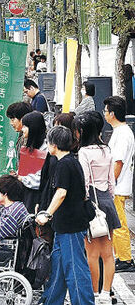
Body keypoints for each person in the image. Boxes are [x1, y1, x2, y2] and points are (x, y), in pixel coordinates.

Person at [35, 125, 95, 305]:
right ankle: (51, 301)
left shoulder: (64, 164)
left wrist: (46, 214)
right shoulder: (71, 161)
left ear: (53, 144)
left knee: (75, 269)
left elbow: (61, 193)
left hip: (70, 225)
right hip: (65, 225)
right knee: (59, 267)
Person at [77, 110, 120, 304]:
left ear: (83, 131)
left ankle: (94, 293)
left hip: (92, 203)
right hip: (107, 202)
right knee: (108, 254)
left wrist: (83, 203)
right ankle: (105, 293)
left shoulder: (84, 152)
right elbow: (112, 182)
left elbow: (84, 181)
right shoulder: (107, 150)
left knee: (92, 254)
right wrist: (108, 200)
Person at [104, 96, 135, 273]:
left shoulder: (123, 133)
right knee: (117, 222)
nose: (105, 114)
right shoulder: (120, 131)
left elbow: (119, 162)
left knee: (119, 224)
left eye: (106, 111)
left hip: (118, 186)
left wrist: (110, 184)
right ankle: (121, 256)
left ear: (112, 114)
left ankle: (125, 259)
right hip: (117, 185)